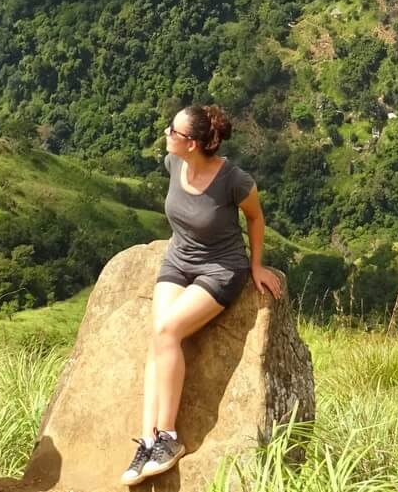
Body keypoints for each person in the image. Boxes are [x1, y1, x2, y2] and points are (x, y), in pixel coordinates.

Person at [121, 103, 283, 486]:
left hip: (221, 269)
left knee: (168, 333)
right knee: (158, 337)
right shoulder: (173, 164)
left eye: (173, 132)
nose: (166, 135)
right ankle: (147, 441)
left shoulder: (234, 181)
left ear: (192, 143)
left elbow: (256, 218)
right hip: (178, 262)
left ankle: (169, 438)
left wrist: (257, 266)